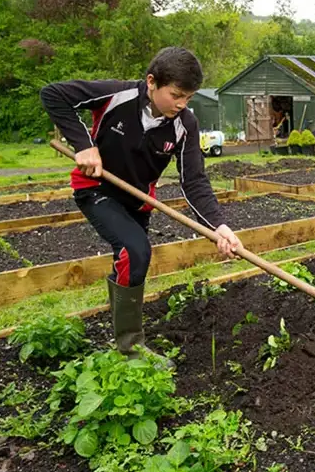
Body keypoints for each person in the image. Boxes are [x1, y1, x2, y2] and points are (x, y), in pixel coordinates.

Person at [40, 47, 242, 361]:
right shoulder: (115, 95)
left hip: (138, 202)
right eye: (176, 94)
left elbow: (194, 181)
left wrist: (219, 226)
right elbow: (53, 94)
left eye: (188, 97)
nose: (182, 104)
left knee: (130, 260)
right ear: (151, 81)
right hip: (96, 189)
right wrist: (84, 146)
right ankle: (130, 349)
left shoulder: (184, 124)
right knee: (135, 252)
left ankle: (121, 338)